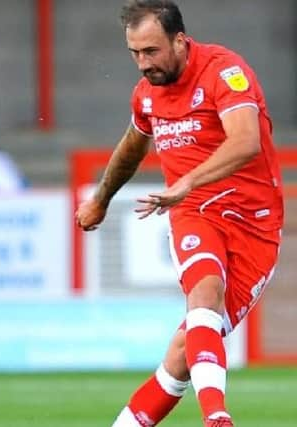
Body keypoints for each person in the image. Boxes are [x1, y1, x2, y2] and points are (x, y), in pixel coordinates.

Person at [75, 1, 283, 426]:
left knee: (185, 351)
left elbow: (246, 142)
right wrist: (101, 198)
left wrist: (188, 179)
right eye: (134, 53)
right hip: (193, 213)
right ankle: (218, 418)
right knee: (204, 291)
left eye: (151, 51)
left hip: (255, 224)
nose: (142, 64)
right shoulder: (147, 95)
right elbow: (133, 145)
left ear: (180, 41)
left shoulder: (224, 71)